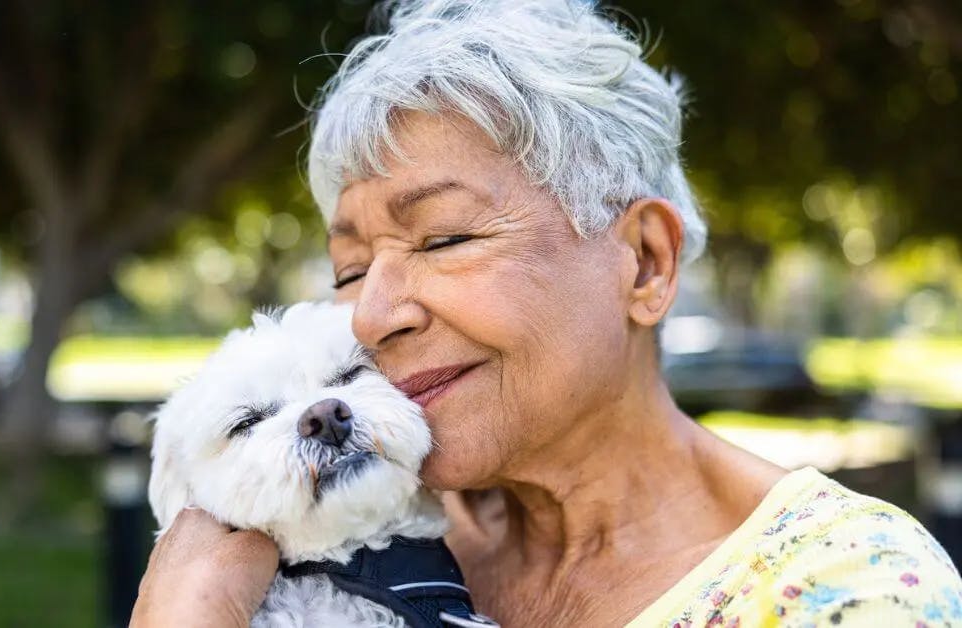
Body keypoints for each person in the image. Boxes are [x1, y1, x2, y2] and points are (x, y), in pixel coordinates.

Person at [131, 1, 962, 625]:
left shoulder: (851, 590)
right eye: (351, 267)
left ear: (644, 262)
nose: (372, 312)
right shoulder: (345, 527)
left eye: (446, 237)